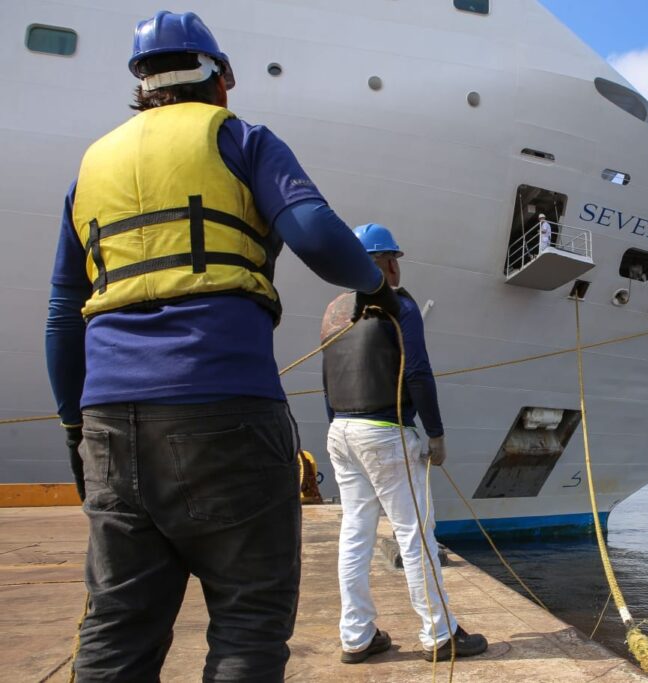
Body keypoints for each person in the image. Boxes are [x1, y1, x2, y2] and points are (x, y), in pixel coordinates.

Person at [44, 11, 398, 682]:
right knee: (246, 621)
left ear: (141, 87)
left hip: (110, 424)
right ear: (223, 80)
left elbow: (64, 318)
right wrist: (369, 283)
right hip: (225, 409)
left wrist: (75, 427)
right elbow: (320, 238)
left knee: (117, 628)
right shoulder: (242, 139)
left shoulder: (88, 171)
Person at [320, 224, 488, 664]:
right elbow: (417, 371)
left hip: (341, 432)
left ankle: (356, 637)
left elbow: (326, 382)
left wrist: (338, 430)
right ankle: (439, 633)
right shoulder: (400, 305)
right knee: (415, 534)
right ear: (385, 262)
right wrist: (435, 432)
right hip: (385, 431)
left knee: (355, 532)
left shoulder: (334, 311)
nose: (396, 265)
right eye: (392, 257)